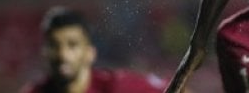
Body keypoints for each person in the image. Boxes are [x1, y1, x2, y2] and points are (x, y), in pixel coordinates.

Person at [20, 6, 166, 93]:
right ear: (44, 53)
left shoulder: (117, 85)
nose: (63, 54)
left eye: (72, 45)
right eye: (54, 45)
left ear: (90, 53)